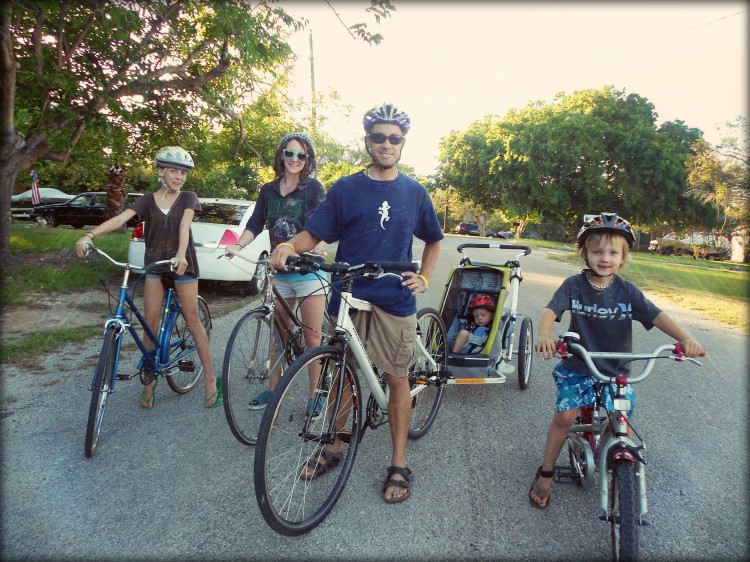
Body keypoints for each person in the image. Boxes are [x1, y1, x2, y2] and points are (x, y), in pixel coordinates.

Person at [270, 103, 444, 504]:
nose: (386, 144)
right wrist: (286, 244)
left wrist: (425, 276)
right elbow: (313, 236)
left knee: (398, 378)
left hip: (392, 297)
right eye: (379, 137)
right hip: (348, 292)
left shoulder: (415, 192)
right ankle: (333, 447)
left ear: (403, 144)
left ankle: (398, 463)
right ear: (367, 141)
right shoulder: (346, 188)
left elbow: (434, 240)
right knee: (341, 372)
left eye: (394, 139)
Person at [528, 212, 705, 509]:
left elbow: (656, 315)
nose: (605, 258)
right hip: (580, 365)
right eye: (597, 251)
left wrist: (686, 338)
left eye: (613, 252)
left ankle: (615, 457)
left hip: (616, 369)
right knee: (565, 417)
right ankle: (545, 472)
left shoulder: (627, 291)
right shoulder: (574, 285)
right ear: (584, 253)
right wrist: (545, 334)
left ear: (624, 257)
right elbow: (550, 311)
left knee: (620, 419)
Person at [75, 146, 221, 410]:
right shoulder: (146, 200)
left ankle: (210, 379)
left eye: (183, 173)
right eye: (174, 171)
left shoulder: (188, 197)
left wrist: (180, 255)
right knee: (150, 325)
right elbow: (121, 218)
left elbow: (184, 227)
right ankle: (149, 382)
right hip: (154, 266)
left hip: (181, 266)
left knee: (192, 321)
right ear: (160, 171)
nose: (179, 177)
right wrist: (90, 235)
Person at [227, 132, 328, 417]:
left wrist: (320, 243)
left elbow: (323, 223)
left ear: (307, 160)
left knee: (312, 339)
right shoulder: (268, 190)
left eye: (301, 155)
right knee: (279, 337)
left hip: (309, 273)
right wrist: (238, 245)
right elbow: (256, 223)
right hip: (280, 273)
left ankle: (315, 394)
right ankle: (273, 389)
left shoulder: (313, 188)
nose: (295, 159)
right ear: (281, 155)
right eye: (290, 153)